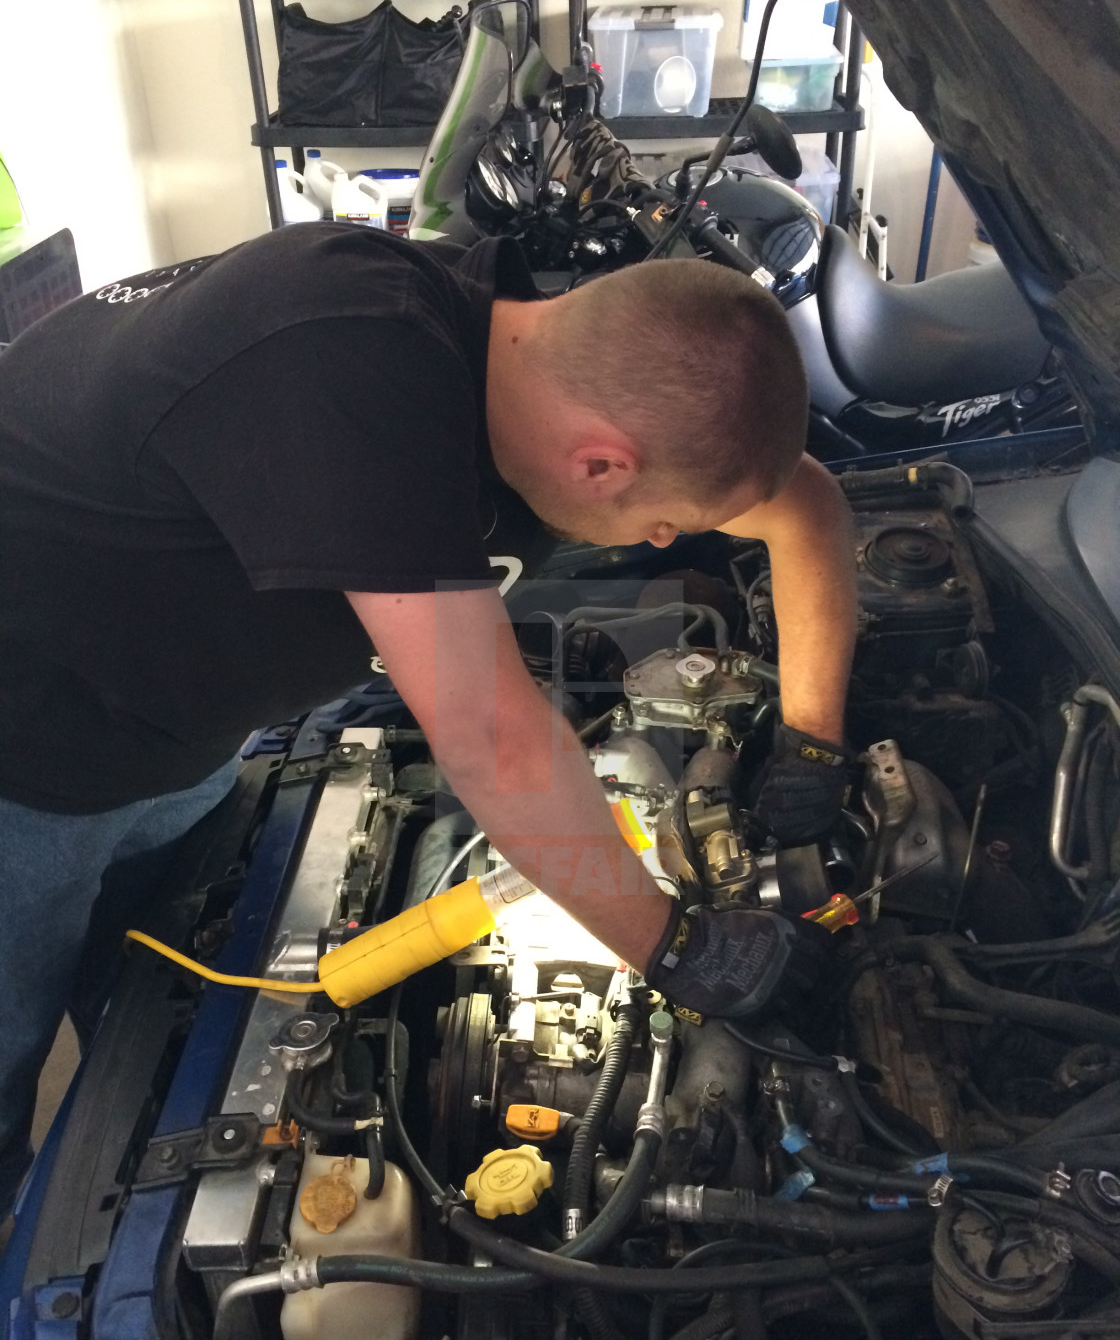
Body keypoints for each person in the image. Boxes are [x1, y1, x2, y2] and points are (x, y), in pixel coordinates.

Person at [0, 221, 855, 1215]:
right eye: (667, 521)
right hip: (25, 750)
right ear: (602, 464)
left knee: (148, 1029)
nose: (665, 541)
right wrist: (672, 946)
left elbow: (804, 507)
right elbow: (497, 743)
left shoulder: (523, 348)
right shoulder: (356, 380)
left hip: (172, 723)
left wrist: (812, 738)